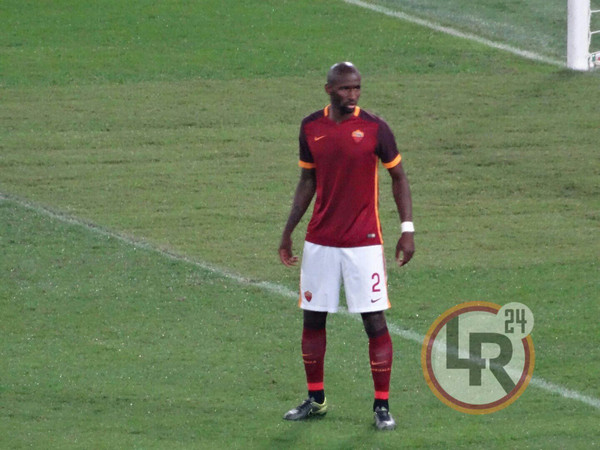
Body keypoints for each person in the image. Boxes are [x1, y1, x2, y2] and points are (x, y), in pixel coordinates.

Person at [278, 62, 415, 430]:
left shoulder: (375, 128)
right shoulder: (311, 127)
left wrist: (407, 229)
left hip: (363, 243)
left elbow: (399, 177)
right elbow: (307, 180)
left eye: (356, 88)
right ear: (329, 89)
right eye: (345, 89)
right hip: (320, 241)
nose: (352, 94)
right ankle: (316, 399)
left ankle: (382, 406)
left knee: (374, 321)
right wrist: (288, 230)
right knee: (313, 318)